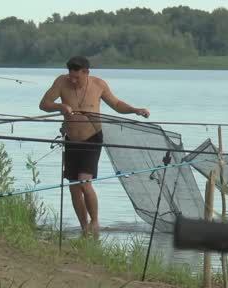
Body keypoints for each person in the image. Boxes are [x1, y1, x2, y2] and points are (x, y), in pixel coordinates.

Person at [39, 55, 150, 237]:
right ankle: (85, 228)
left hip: (92, 138)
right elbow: (44, 104)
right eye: (71, 76)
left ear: (86, 72)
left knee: (84, 181)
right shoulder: (61, 81)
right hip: (71, 139)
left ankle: (95, 221)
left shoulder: (99, 84)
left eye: (77, 77)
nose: (73, 80)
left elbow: (116, 104)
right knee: (74, 186)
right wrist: (60, 107)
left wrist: (135, 110)